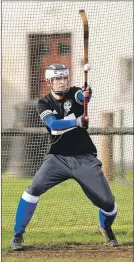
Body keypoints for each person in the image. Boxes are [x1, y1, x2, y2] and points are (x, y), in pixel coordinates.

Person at [11, 64, 118, 250]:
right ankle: (17, 235)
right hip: (57, 158)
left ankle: (105, 227)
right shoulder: (43, 103)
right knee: (32, 189)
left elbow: (82, 96)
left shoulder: (75, 93)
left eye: (65, 78)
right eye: (58, 79)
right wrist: (77, 121)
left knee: (108, 204)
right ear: (49, 82)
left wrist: (87, 94)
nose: (62, 82)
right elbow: (53, 125)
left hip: (84, 158)